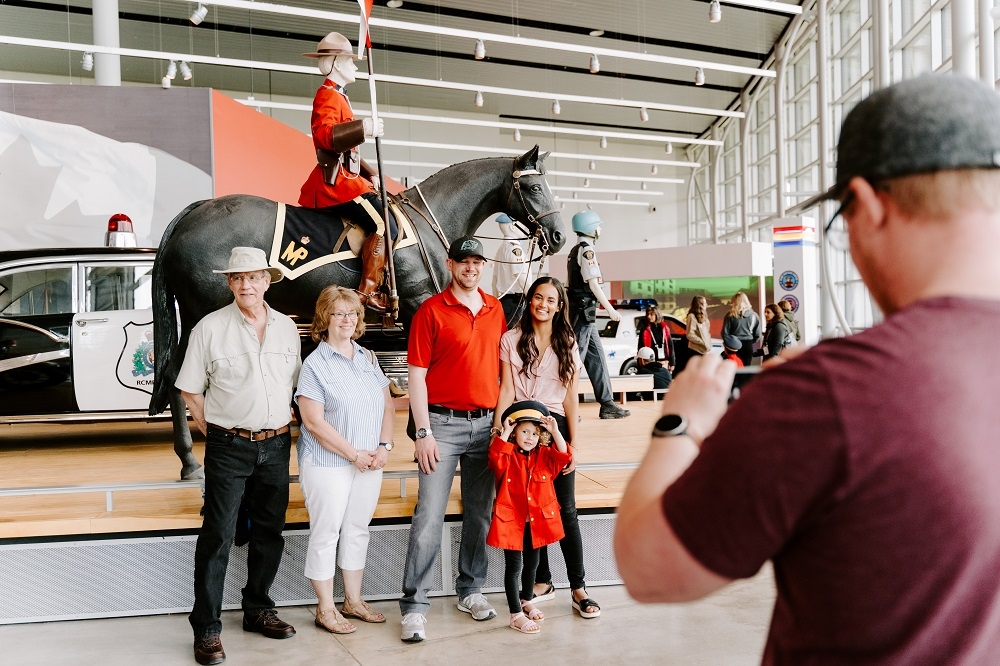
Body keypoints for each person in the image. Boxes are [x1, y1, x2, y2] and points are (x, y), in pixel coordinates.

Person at [615, 73, 1000, 662]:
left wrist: (680, 424)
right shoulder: (832, 392)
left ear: (868, 207)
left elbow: (649, 567)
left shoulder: (830, 392)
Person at [175, 247, 301, 666]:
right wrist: (218, 431)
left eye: (253, 277)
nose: (246, 285)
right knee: (218, 537)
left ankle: (258, 609)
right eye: (237, 278)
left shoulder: (286, 329)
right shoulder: (208, 329)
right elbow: (191, 390)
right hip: (229, 447)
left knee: (270, 532)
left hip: (278, 444)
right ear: (229, 283)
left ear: (268, 280)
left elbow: (296, 387)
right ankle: (207, 629)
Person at [399, 235, 507, 642]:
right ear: (450, 265)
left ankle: (471, 589)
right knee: (428, 516)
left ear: (483, 266)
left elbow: (503, 371)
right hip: (441, 427)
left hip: (486, 426)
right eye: (463, 262)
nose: (471, 268)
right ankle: (414, 606)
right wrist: (422, 431)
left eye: (477, 262)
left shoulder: (496, 310)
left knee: (480, 513)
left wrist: (502, 422)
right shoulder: (430, 311)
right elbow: (416, 376)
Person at [494, 276, 602, 621]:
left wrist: (574, 444)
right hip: (522, 429)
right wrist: (500, 427)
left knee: (565, 511)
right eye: (538, 297)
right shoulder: (510, 339)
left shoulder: (567, 340)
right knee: (529, 508)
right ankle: (538, 583)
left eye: (551, 300)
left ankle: (579, 588)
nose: (543, 304)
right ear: (530, 300)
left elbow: (571, 394)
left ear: (559, 306)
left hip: (553, 429)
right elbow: (507, 389)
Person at [294, 286, 394, 635]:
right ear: (325, 319)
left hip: (370, 462)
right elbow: (313, 422)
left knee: (357, 531)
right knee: (327, 533)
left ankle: (353, 600)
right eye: (339, 313)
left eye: (352, 313)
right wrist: (354, 454)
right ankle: (325, 608)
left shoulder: (367, 357)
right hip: (328, 464)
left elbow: (385, 404)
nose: (348, 320)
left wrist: (384, 446)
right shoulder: (314, 364)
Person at [298, 32, 396, 313]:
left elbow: (347, 149)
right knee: (385, 223)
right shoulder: (326, 95)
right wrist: (364, 128)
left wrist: (370, 173)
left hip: (350, 177)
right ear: (338, 63)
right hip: (337, 183)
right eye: (351, 62)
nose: (355, 67)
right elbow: (326, 137)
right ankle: (366, 291)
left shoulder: (339, 95)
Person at [487, 400, 571, 634]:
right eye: (524, 431)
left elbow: (563, 456)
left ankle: (526, 600)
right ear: (515, 432)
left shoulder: (545, 455)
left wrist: (555, 431)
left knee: (532, 565)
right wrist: (504, 432)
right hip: (512, 521)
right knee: (514, 567)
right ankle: (515, 614)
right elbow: (495, 459)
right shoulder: (508, 454)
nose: (530, 437)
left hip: (536, 523)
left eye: (535, 433)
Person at [566, 210, 630, 419]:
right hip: (582, 313)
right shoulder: (586, 251)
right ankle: (567, 407)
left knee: (597, 359)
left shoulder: (577, 249)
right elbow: (593, 284)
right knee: (574, 362)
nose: (600, 229)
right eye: (598, 225)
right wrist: (610, 309)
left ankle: (607, 403)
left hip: (586, 314)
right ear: (590, 228)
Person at [492, 213, 533, 325]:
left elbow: (494, 280)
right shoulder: (515, 250)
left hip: (504, 302)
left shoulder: (501, 249)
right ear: (513, 226)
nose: (525, 228)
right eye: (523, 225)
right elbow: (522, 279)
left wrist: (496, 301)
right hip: (515, 304)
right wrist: (533, 300)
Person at [721, 292, 760, 367]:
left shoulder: (730, 315)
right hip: (748, 345)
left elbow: (725, 333)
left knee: (733, 368)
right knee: (746, 368)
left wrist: (728, 344)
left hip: (733, 346)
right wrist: (751, 341)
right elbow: (757, 335)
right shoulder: (754, 315)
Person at [638, 305, 676, 372]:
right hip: (651, 363)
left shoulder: (664, 328)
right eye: (648, 314)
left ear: (657, 315)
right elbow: (640, 347)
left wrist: (672, 362)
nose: (649, 316)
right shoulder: (645, 329)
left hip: (664, 362)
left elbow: (670, 346)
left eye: (652, 314)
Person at [683, 295, 712, 372]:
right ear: (700, 304)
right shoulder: (691, 316)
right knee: (695, 372)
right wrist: (702, 342)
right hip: (695, 350)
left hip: (704, 350)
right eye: (705, 303)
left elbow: (707, 332)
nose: (706, 304)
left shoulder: (704, 316)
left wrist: (707, 342)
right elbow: (690, 334)